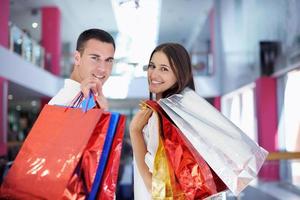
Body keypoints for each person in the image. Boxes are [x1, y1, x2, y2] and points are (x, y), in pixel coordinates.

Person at [129, 43, 195, 199]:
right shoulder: (163, 112)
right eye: (152, 66)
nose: (153, 74)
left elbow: (158, 189)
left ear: (180, 74)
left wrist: (135, 132)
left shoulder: (166, 117)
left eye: (164, 69)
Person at [48, 28, 115, 109]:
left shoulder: (93, 101)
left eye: (109, 60)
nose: (102, 68)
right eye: (95, 58)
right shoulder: (61, 104)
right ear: (77, 58)